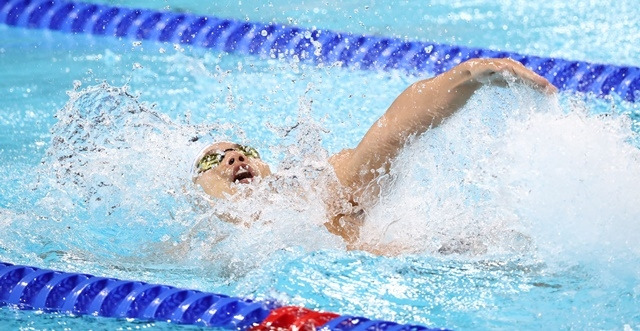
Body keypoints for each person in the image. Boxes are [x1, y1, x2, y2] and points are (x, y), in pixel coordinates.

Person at [191, 58, 556, 252]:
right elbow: (222, 202)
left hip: (346, 212)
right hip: (372, 245)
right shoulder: (213, 228)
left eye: (243, 151)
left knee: (388, 139)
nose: (234, 158)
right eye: (215, 158)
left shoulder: (305, 184)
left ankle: (469, 76)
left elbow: (390, 133)